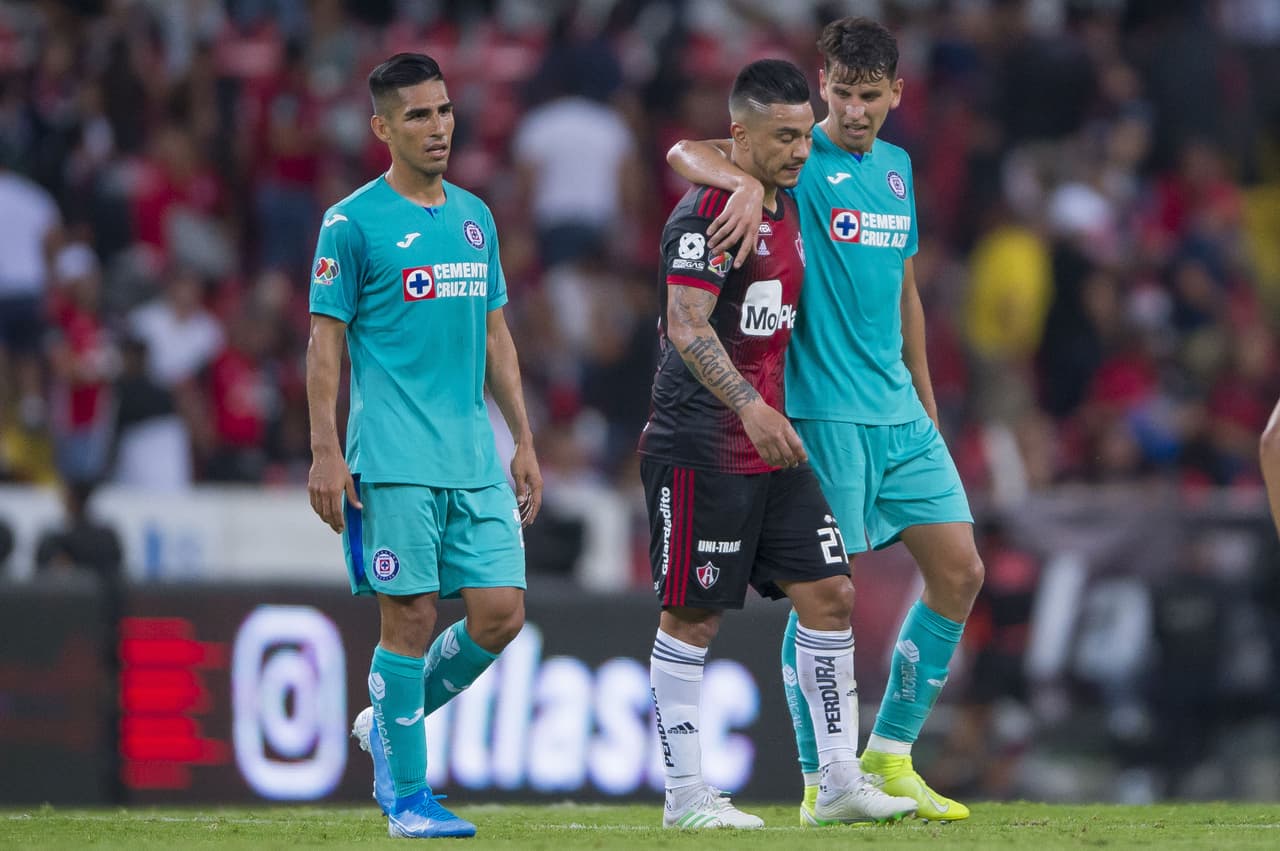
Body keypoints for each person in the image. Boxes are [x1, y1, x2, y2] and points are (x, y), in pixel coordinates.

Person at [668, 17, 984, 824]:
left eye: (868, 96)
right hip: (821, 410)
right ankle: (821, 776)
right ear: (821, 89)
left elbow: (904, 287)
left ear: (895, 95)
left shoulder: (899, 171)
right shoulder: (795, 160)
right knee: (824, 596)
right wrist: (740, 183)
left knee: (961, 570)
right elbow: (686, 153)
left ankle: (890, 753)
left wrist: (926, 395)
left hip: (899, 410)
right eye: (839, 93)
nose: (852, 111)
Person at [640, 58, 917, 830]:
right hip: (701, 438)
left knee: (831, 593)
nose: (802, 150)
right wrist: (749, 408)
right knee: (691, 616)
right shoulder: (708, 213)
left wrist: (768, 416)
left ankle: (836, 781)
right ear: (742, 136)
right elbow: (686, 326)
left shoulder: (785, 198)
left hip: (773, 441)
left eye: (805, 135)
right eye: (785, 138)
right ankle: (685, 794)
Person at [305, 52, 542, 840]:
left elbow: (496, 334)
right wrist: (324, 451)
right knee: (405, 621)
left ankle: (387, 718)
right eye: (417, 115)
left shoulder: (475, 216)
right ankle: (407, 793)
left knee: (501, 614)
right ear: (381, 127)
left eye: (443, 110)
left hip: (474, 456)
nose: (438, 126)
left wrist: (524, 438)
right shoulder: (351, 223)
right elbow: (324, 343)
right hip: (394, 458)